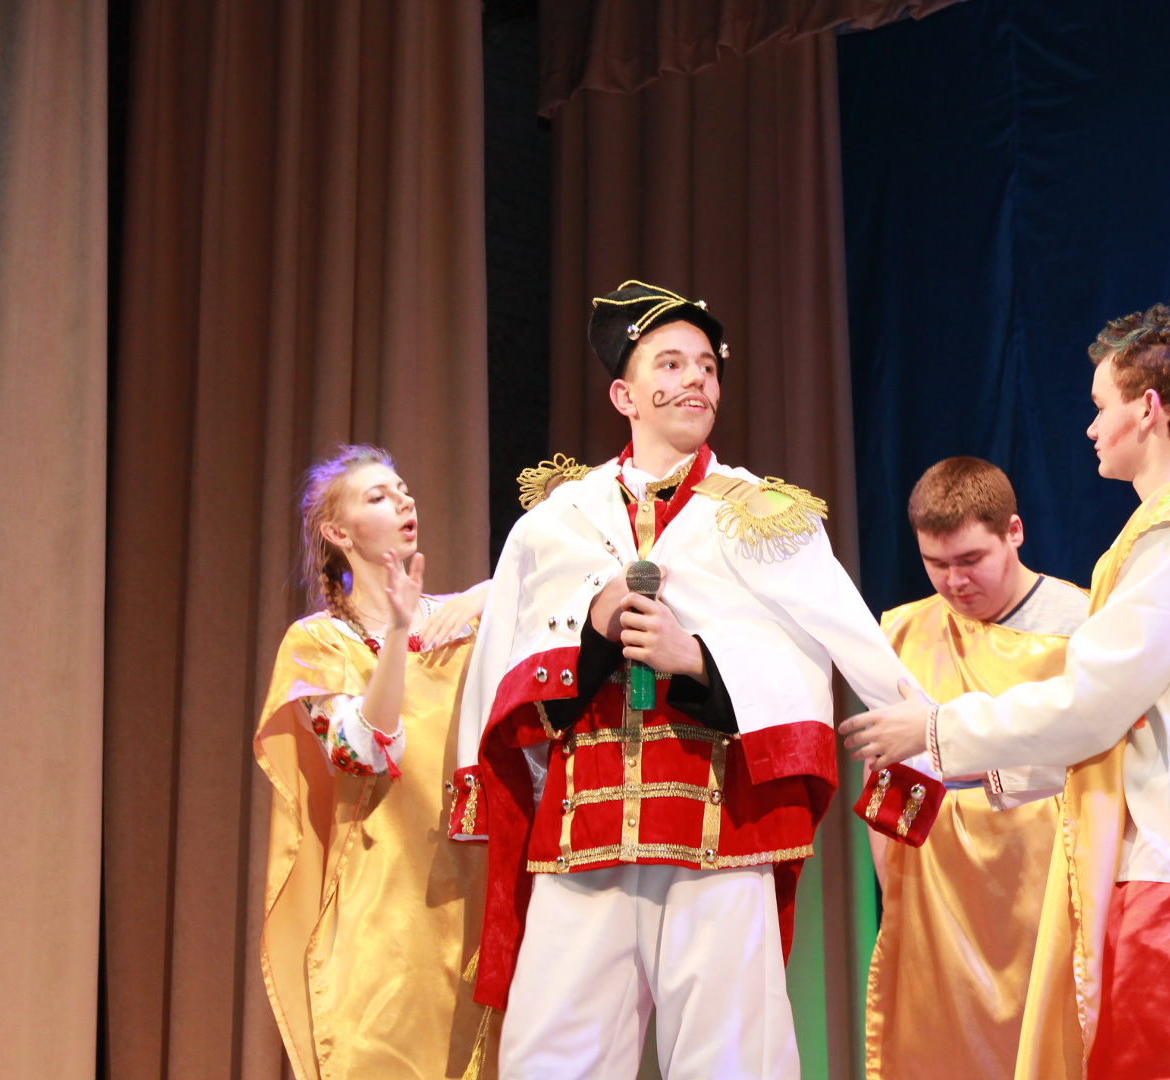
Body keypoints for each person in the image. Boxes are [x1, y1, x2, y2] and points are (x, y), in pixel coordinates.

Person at [842, 305, 1170, 1080]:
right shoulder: (1167, 528)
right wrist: (982, 770)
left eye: (1102, 406)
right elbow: (1126, 727)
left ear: (1148, 408)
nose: (1093, 428)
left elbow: (1094, 705)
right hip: (1160, 865)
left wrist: (936, 731)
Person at [451, 281, 918, 1080]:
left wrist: (697, 656)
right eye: (670, 363)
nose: (696, 378)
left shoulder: (764, 517)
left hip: (719, 832)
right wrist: (589, 617)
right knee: (551, 1058)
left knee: (731, 1059)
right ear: (624, 395)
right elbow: (508, 656)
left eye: (707, 365)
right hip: (583, 833)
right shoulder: (557, 522)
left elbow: (836, 646)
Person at [254, 444, 496, 1080]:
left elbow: (569, 597)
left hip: (474, 889)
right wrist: (395, 632)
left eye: (404, 490)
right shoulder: (319, 641)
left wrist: (491, 590)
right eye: (378, 496)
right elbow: (361, 753)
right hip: (383, 904)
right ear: (339, 533)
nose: (403, 501)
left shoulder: (466, 619)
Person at [865, 456, 1089, 1080]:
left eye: (970, 560)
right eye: (935, 564)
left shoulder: (1082, 627)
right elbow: (887, 775)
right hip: (937, 906)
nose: (954, 582)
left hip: (1045, 895)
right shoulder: (904, 633)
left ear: (1014, 532)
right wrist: (897, 891)